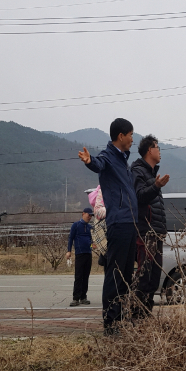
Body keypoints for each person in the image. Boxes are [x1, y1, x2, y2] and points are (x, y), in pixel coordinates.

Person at [78, 118, 138, 336]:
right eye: (130, 134)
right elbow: (98, 163)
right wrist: (88, 161)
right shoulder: (109, 157)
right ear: (121, 136)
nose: (132, 138)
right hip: (119, 223)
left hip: (130, 223)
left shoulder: (123, 160)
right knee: (115, 274)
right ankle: (110, 324)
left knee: (126, 276)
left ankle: (121, 318)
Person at [131, 134, 169, 318]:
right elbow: (138, 196)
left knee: (154, 278)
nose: (159, 151)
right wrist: (155, 186)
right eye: (157, 147)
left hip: (157, 232)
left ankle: (146, 314)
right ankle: (137, 315)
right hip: (146, 232)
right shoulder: (138, 170)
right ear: (149, 150)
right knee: (144, 276)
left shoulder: (152, 173)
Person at [66, 208, 95, 307]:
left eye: (91, 215)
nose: (89, 217)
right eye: (88, 215)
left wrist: (92, 245)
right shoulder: (76, 225)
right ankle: (75, 298)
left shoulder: (90, 227)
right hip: (79, 254)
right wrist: (69, 251)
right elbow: (71, 238)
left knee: (86, 276)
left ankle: (83, 297)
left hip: (88, 253)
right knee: (78, 276)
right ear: (83, 214)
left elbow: (92, 240)